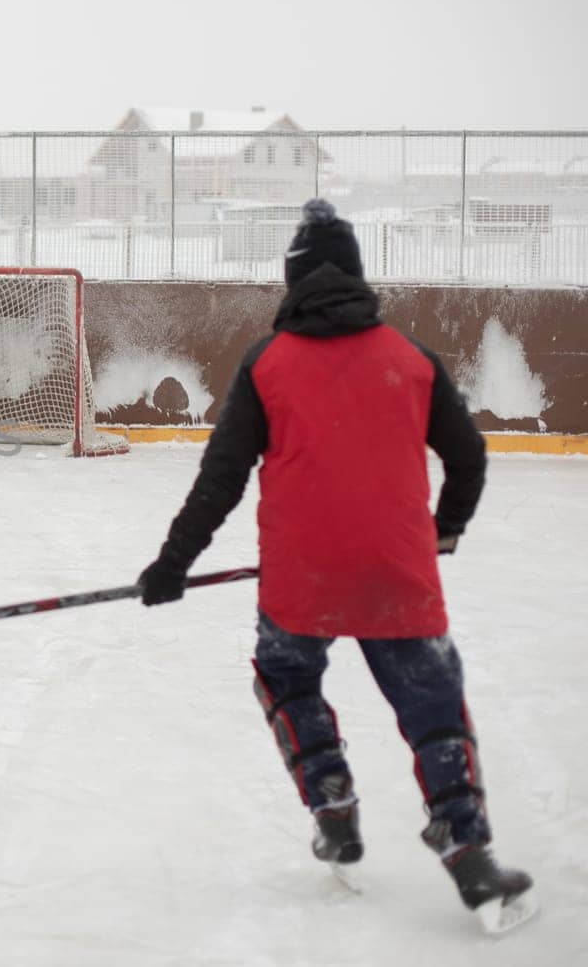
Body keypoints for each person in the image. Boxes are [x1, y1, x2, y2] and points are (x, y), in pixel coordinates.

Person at [136, 199, 535, 931]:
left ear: (291, 283)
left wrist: (171, 563)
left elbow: (220, 478)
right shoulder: (410, 359)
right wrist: (442, 533)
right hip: (398, 578)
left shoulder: (268, 363)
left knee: (288, 678)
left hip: (300, 583)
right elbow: (469, 457)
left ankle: (334, 807)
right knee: (433, 709)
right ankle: (468, 851)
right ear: (358, 277)